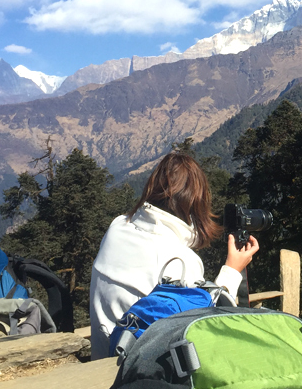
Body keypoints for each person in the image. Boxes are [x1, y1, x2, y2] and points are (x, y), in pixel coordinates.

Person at [88, 152, 259, 360]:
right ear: (196, 204)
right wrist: (232, 271)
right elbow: (205, 328)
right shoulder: (181, 262)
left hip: (103, 357)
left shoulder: (117, 227)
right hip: (137, 373)